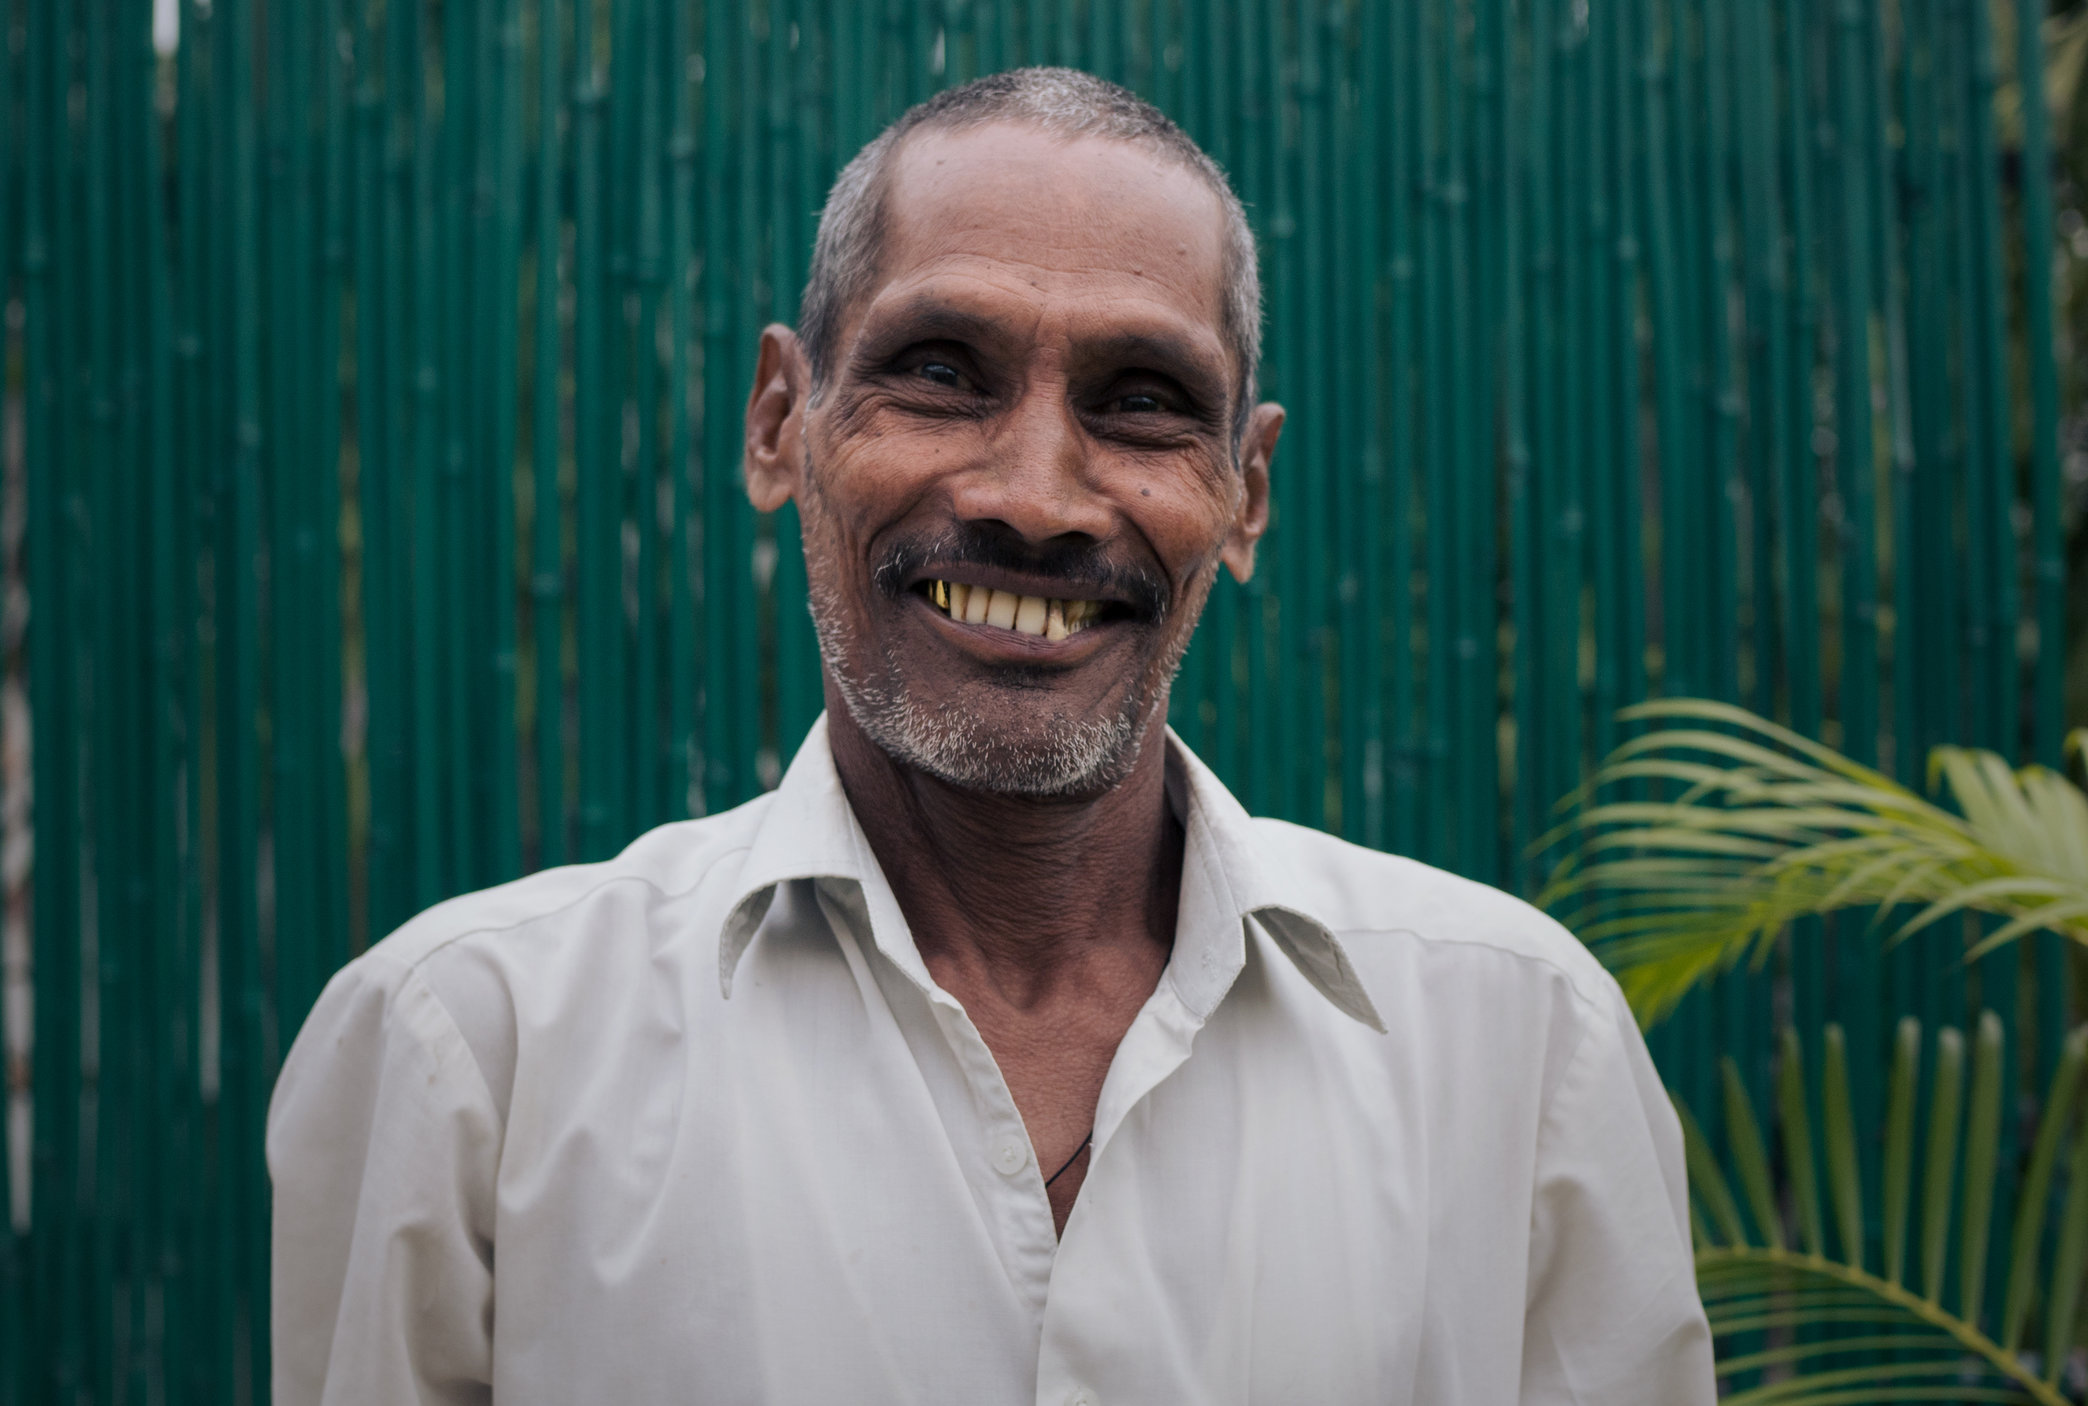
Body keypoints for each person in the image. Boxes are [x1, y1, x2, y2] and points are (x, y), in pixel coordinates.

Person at [269, 66, 1714, 1406]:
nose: (1036, 496)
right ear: (782, 422)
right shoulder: (477, 1053)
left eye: (1142, 402)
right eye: (942, 371)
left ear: (1247, 491)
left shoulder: (1521, 1050)